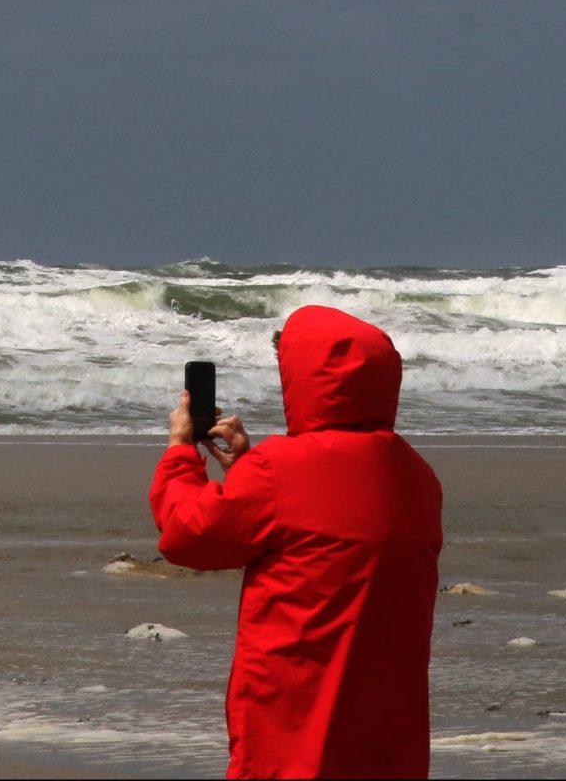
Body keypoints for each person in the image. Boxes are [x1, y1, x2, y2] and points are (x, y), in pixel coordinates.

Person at [149, 305, 443, 779]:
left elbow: (189, 536)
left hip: (294, 725)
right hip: (389, 732)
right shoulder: (418, 476)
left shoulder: (279, 470)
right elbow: (325, 527)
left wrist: (181, 451)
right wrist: (248, 472)